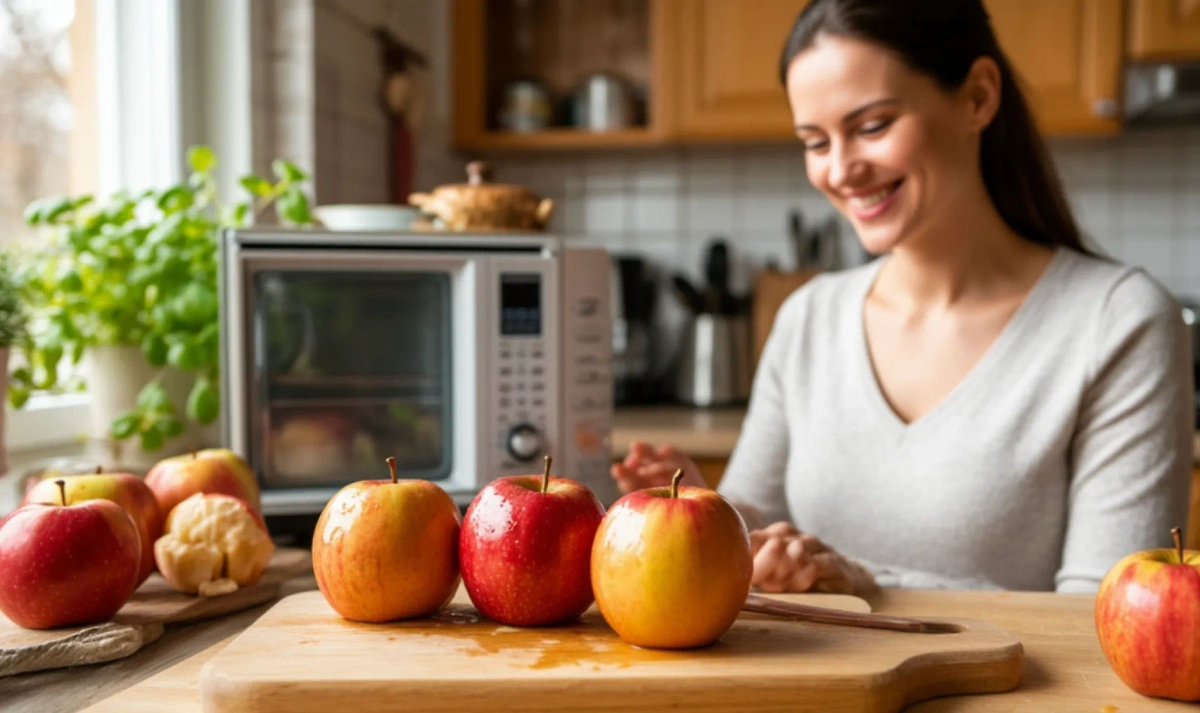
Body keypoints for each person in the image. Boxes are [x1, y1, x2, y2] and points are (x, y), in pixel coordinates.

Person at [612, 0, 1193, 595]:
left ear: (977, 97)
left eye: (871, 126)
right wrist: (708, 515)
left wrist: (863, 585)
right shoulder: (809, 317)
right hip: (813, 689)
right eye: (815, 142)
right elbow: (756, 527)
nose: (841, 170)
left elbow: (1100, 615)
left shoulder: (1118, 321)